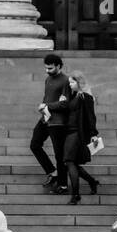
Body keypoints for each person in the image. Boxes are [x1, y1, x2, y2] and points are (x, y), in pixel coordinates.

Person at [32, 52, 71, 194]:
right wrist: (43, 106)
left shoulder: (66, 81)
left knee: (59, 154)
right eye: (46, 68)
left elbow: (65, 103)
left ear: (59, 66)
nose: (47, 71)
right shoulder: (48, 79)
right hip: (46, 118)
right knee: (34, 145)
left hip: (58, 122)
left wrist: (48, 105)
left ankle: (63, 185)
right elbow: (47, 97)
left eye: (50, 68)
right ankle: (52, 172)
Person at [63, 72, 101, 205]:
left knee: (69, 161)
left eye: (72, 82)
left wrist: (94, 134)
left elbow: (91, 117)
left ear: (79, 83)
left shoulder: (86, 97)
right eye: (69, 82)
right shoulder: (74, 96)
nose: (70, 85)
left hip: (77, 134)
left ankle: (76, 195)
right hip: (70, 132)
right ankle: (92, 182)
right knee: (72, 163)